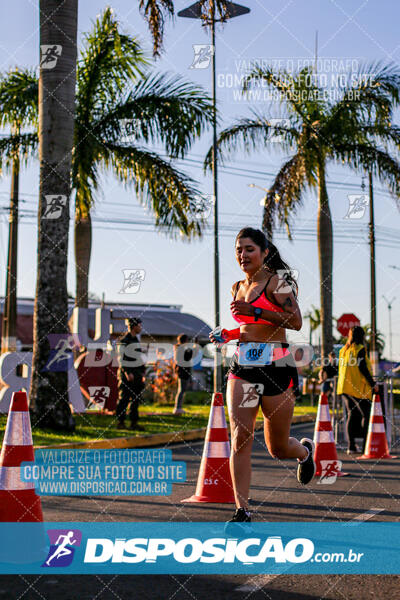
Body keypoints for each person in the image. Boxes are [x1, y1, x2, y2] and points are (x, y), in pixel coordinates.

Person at [209, 227, 315, 532]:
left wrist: (255, 310)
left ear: (265, 252)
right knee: (240, 437)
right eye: (238, 250)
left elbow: (295, 322)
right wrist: (227, 334)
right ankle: (242, 512)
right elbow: (248, 329)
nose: (243, 255)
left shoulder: (276, 283)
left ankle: (304, 452)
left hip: (277, 367)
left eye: (249, 249)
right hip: (243, 366)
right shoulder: (236, 287)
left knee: (277, 448)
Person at [337, 326, 378, 454]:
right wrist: (373, 384)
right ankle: (366, 445)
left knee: (352, 414)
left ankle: (352, 446)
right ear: (361, 336)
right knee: (366, 415)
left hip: (344, 387)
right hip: (357, 388)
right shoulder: (359, 349)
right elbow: (363, 368)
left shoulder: (344, 350)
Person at [115, 317, 146, 430]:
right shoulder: (124, 340)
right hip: (127, 375)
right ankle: (121, 423)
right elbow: (121, 358)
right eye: (139, 325)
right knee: (124, 398)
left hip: (137, 374)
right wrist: (127, 372)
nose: (141, 327)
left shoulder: (135, 340)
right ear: (134, 326)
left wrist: (142, 372)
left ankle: (134, 422)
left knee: (135, 399)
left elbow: (138, 358)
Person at [173, 334, 194, 415]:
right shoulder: (180, 348)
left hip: (183, 371)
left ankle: (178, 407)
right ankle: (177, 408)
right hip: (182, 372)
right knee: (181, 390)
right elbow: (188, 357)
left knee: (182, 390)